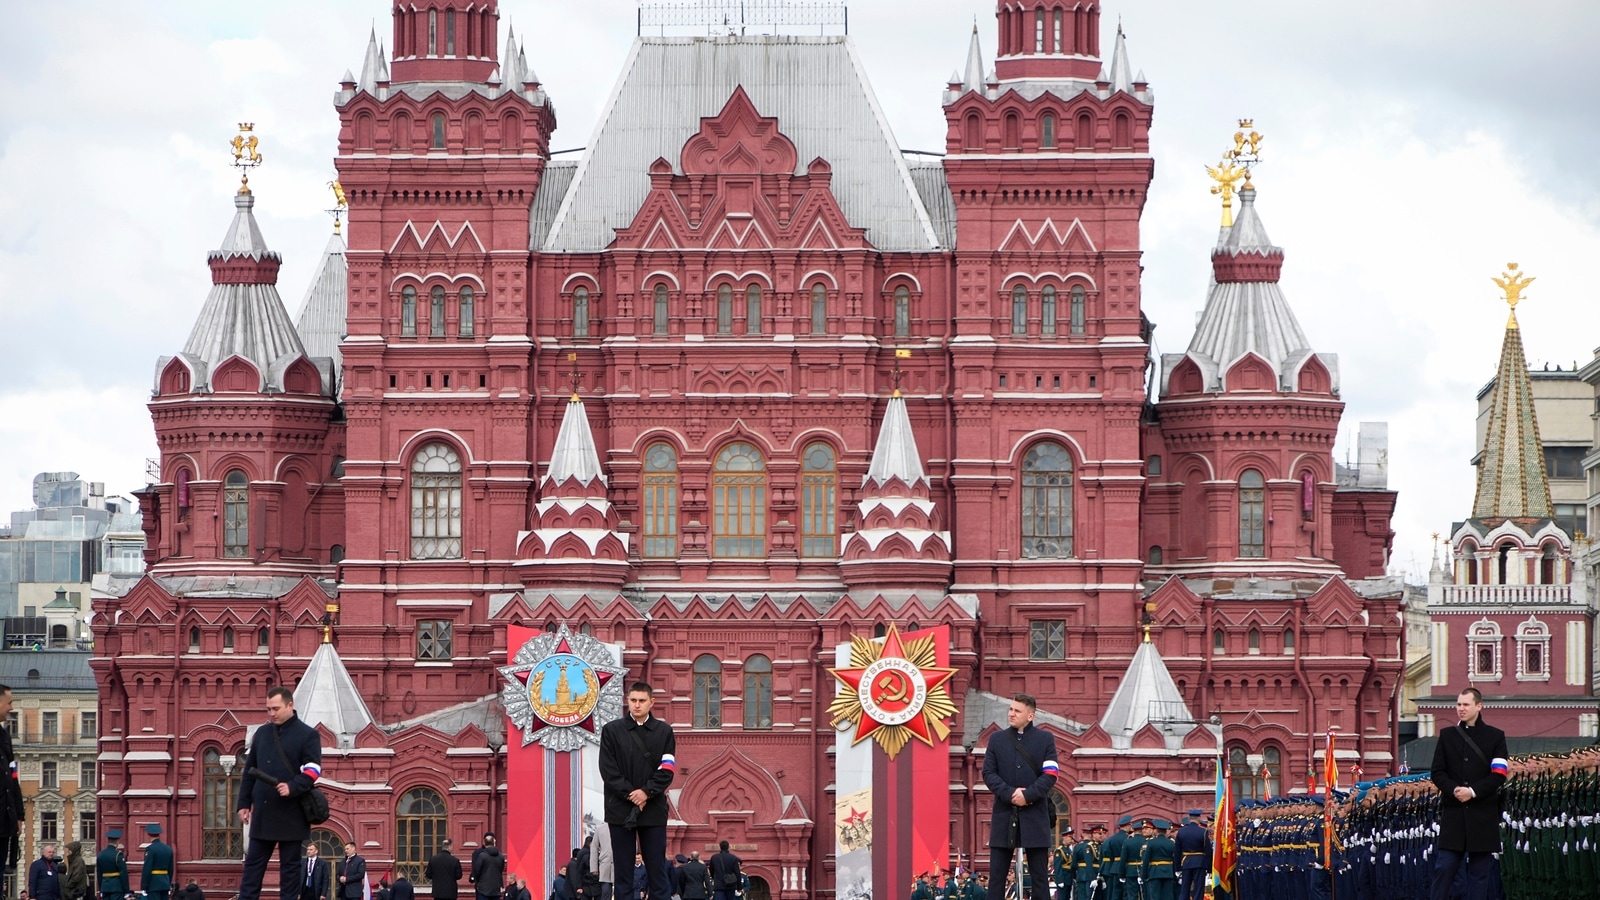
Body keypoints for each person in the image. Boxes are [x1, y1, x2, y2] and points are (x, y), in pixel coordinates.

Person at [237, 687, 324, 900]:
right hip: (264, 812)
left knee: (290, 871)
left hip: (292, 813)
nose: (271, 714)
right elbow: (250, 769)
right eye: (268, 709)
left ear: (290, 706)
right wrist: (244, 803)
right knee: (252, 869)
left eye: (275, 709)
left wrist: (292, 786)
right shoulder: (263, 733)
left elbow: (314, 770)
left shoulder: (308, 734)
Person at [598, 683, 677, 900]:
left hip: (653, 809)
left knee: (657, 871)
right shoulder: (612, 731)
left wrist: (646, 793)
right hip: (620, 810)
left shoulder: (664, 732)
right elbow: (608, 769)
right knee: (623, 872)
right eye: (633, 700)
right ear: (628, 701)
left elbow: (667, 769)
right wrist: (632, 795)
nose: (637, 705)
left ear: (652, 702)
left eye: (642, 701)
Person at [1429, 687, 1509, 900]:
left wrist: (1473, 792)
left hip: (1482, 816)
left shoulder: (1495, 737)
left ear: (1479, 706)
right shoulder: (1447, 736)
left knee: (1479, 874)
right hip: (1454, 816)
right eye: (1458, 705)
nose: (1461, 709)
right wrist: (1454, 790)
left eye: (1465, 705)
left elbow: (1499, 775)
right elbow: (1437, 772)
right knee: (1444, 867)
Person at [982, 695, 1058, 900]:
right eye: (1010, 709)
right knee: (997, 878)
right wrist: (1010, 794)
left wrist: (1028, 795)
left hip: (1035, 814)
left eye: (1017, 711)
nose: (1011, 713)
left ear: (1030, 715)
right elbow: (988, 773)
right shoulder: (997, 739)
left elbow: (1051, 774)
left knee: (1039, 878)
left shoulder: (1045, 739)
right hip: (1004, 815)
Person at [0, 686, 23, 880]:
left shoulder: (5, 736)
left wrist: (19, 814)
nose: (11, 708)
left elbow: (13, 776)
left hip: (4, 820)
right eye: (9, 703)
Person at [1138, 820, 1176, 900]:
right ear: (1166, 831)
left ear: (1156, 830)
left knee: (1155, 895)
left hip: (1154, 872)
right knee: (1168, 895)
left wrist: (1143, 875)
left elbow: (1146, 860)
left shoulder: (1151, 843)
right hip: (1168, 872)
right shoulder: (1171, 843)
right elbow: (1175, 859)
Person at [1173, 811, 1207, 900]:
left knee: (1185, 888)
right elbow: (1208, 851)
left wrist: (1177, 868)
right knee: (1198, 888)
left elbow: (1177, 851)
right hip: (1200, 862)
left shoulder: (1181, 832)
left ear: (1189, 819)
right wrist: (1209, 868)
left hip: (1186, 861)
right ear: (1199, 818)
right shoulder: (1203, 832)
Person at [141, 825, 174, 900]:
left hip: (154, 883)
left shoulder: (150, 849)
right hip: (165, 882)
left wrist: (144, 885)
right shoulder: (168, 849)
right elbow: (171, 868)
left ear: (149, 835)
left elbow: (147, 868)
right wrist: (168, 882)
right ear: (159, 835)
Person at [472, 834, 506, 900]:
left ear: (484, 843)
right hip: (496, 889)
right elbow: (501, 870)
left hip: (483, 889)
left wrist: (478, 883)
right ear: (494, 842)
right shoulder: (501, 856)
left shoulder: (482, 856)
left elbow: (476, 871)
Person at [97, 829, 129, 900]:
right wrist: (126, 890)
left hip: (105, 887)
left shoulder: (101, 854)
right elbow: (123, 873)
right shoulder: (118, 855)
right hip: (116, 887)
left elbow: (99, 873)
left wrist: (100, 888)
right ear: (117, 841)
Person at [590, 827, 614, 900]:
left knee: (623, 891)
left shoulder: (622, 825)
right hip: (605, 864)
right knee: (606, 892)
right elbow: (594, 847)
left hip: (621, 864)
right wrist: (594, 867)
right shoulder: (600, 829)